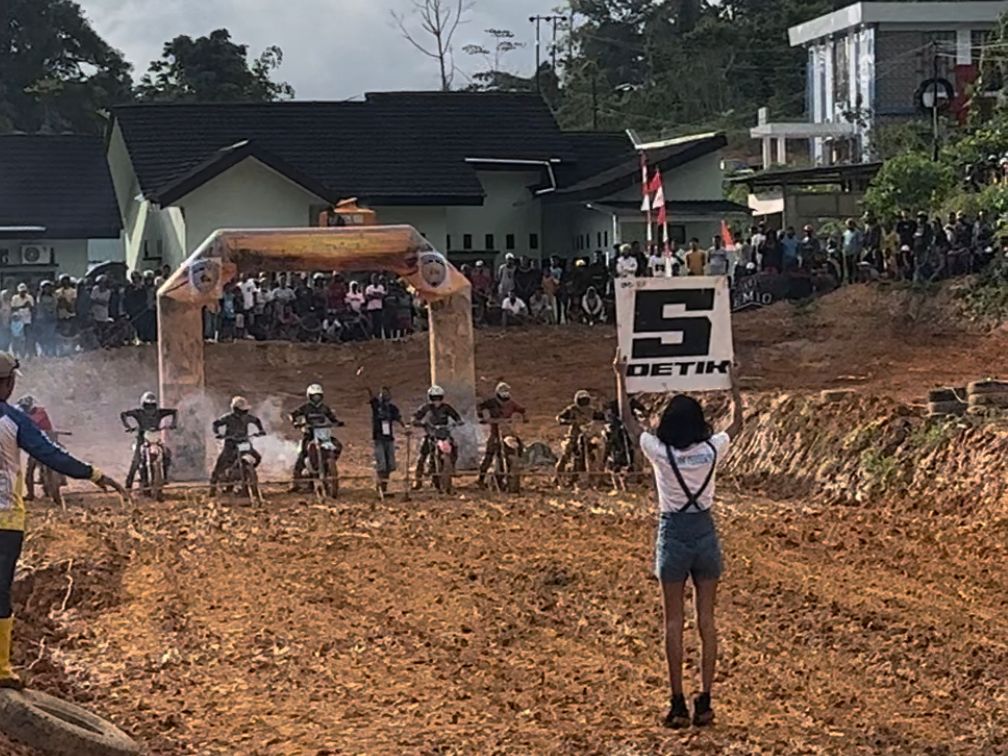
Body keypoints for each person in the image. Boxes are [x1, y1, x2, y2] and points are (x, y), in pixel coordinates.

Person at [614, 351, 743, 729]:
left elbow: (628, 421)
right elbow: (738, 425)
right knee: (707, 620)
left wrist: (620, 377)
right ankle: (705, 699)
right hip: (705, 531)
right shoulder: (709, 451)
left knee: (673, 622)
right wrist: (734, 384)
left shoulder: (660, 453)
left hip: (673, 532)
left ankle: (676, 702)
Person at [0, 352, 126, 688]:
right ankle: (0, 668)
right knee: (0, 590)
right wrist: (95, 474)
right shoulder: (15, 421)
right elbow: (51, 455)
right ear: (9, 383)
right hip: (5, 519)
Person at [120, 392, 179, 490]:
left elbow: (174, 411)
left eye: (152, 406)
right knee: (137, 460)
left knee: (167, 453)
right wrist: (128, 426)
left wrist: (174, 424)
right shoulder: (138, 413)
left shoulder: (159, 412)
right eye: (147, 406)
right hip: (142, 437)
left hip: (155, 438)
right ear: (143, 405)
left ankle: (165, 476)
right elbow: (124, 414)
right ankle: (128, 485)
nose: (150, 409)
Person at [289, 384, 344, 489]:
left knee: (338, 445)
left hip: (323, 435)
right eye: (314, 396)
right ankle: (295, 481)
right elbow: (293, 415)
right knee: (303, 453)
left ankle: (328, 465)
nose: (316, 398)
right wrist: (295, 422)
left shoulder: (325, 408)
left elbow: (332, 418)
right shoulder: (306, 408)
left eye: (318, 396)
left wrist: (337, 423)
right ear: (309, 396)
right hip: (310, 435)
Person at [209, 396, 265, 495]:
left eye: (245, 411)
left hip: (243, 443)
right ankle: (212, 488)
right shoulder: (228, 418)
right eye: (242, 411)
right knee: (220, 464)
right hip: (231, 444)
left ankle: (246, 472)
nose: (244, 413)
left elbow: (256, 421)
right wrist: (217, 433)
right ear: (235, 410)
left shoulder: (247, 418)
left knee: (257, 457)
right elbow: (216, 424)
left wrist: (261, 430)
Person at [411, 385, 463, 490]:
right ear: (430, 398)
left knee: (455, 446)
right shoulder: (426, 407)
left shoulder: (446, 407)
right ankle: (418, 480)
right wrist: (419, 422)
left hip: (444, 434)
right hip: (431, 434)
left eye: (439, 397)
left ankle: (451, 468)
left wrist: (458, 422)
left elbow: (456, 416)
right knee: (422, 456)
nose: (436, 400)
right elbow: (415, 417)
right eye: (434, 398)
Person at [476, 382, 526, 488]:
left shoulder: (511, 403)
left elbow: (521, 409)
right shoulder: (491, 402)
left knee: (518, 445)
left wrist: (524, 417)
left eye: (506, 391)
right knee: (489, 453)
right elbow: (480, 407)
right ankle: (481, 478)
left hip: (507, 431)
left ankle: (515, 469)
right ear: (498, 392)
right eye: (503, 391)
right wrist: (483, 417)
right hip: (495, 431)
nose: (505, 393)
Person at [554, 390, 605, 483]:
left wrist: (605, 417)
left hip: (589, 435)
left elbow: (602, 416)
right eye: (582, 400)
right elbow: (559, 417)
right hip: (574, 435)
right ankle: (558, 475)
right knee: (567, 451)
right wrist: (567, 421)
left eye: (585, 400)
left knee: (600, 447)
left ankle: (600, 473)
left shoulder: (591, 410)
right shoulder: (572, 409)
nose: (584, 403)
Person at [367, 387, 406, 495]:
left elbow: (398, 418)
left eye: (386, 394)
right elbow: (371, 395)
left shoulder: (392, 408)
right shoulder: (376, 407)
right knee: (382, 464)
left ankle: (384, 486)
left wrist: (405, 427)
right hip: (379, 438)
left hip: (389, 439)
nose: (384, 396)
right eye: (382, 394)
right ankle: (380, 487)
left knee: (390, 465)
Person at [16, 396, 53, 502]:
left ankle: (52, 485)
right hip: (37, 445)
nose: (26, 408)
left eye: (26, 407)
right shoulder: (25, 415)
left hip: (47, 441)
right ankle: (30, 494)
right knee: (30, 470)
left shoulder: (40, 412)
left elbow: (31, 423)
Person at [33, 282, 58, 357]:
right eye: (46, 287)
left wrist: (50, 310)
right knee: (42, 336)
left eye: (49, 287)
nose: (47, 289)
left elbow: (55, 305)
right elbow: (39, 305)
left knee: (51, 335)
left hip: (51, 318)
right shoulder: (39, 297)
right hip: (42, 318)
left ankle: (50, 351)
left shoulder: (53, 296)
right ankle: (43, 350)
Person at [9, 285, 33, 359]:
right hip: (17, 322)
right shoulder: (15, 298)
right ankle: (15, 354)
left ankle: (27, 354)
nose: (22, 293)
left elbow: (32, 308)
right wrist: (23, 306)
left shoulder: (30, 297)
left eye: (24, 292)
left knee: (27, 338)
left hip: (27, 321)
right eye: (21, 292)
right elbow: (12, 308)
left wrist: (29, 307)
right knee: (16, 339)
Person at [364, 273, 387, 339]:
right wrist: (377, 295)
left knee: (379, 324)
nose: (375, 280)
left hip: (379, 308)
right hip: (371, 308)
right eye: (373, 279)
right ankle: (371, 337)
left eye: (376, 279)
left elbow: (382, 296)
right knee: (372, 324)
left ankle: (379, 337)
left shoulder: (381, 287)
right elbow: (368, 297)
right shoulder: (369, 288)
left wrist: (373, 295)